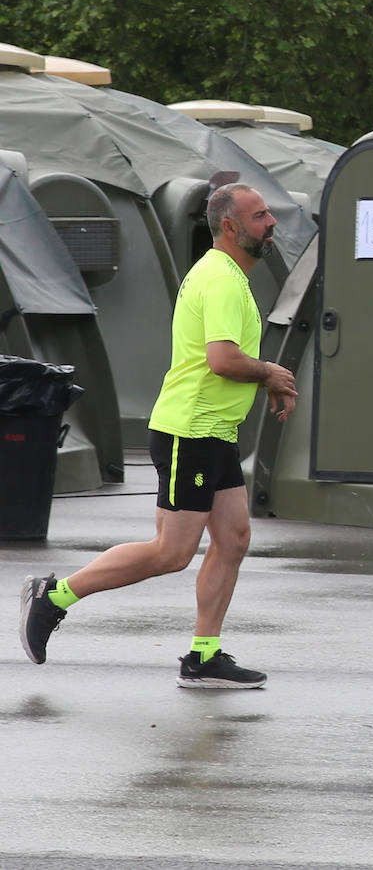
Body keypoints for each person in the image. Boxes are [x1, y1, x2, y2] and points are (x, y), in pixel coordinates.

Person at [20, 183, 297, 689]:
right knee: (171, 552)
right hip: (188, 432)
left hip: (213, 432)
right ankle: (54, 595)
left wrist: (266, 377)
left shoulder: (229, 275)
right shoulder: (219, 279)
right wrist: (270, 374)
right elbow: (222, 359)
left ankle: (204, 655)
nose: (272, 223)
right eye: (261, 216)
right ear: (231, 227)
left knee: (232, 539)